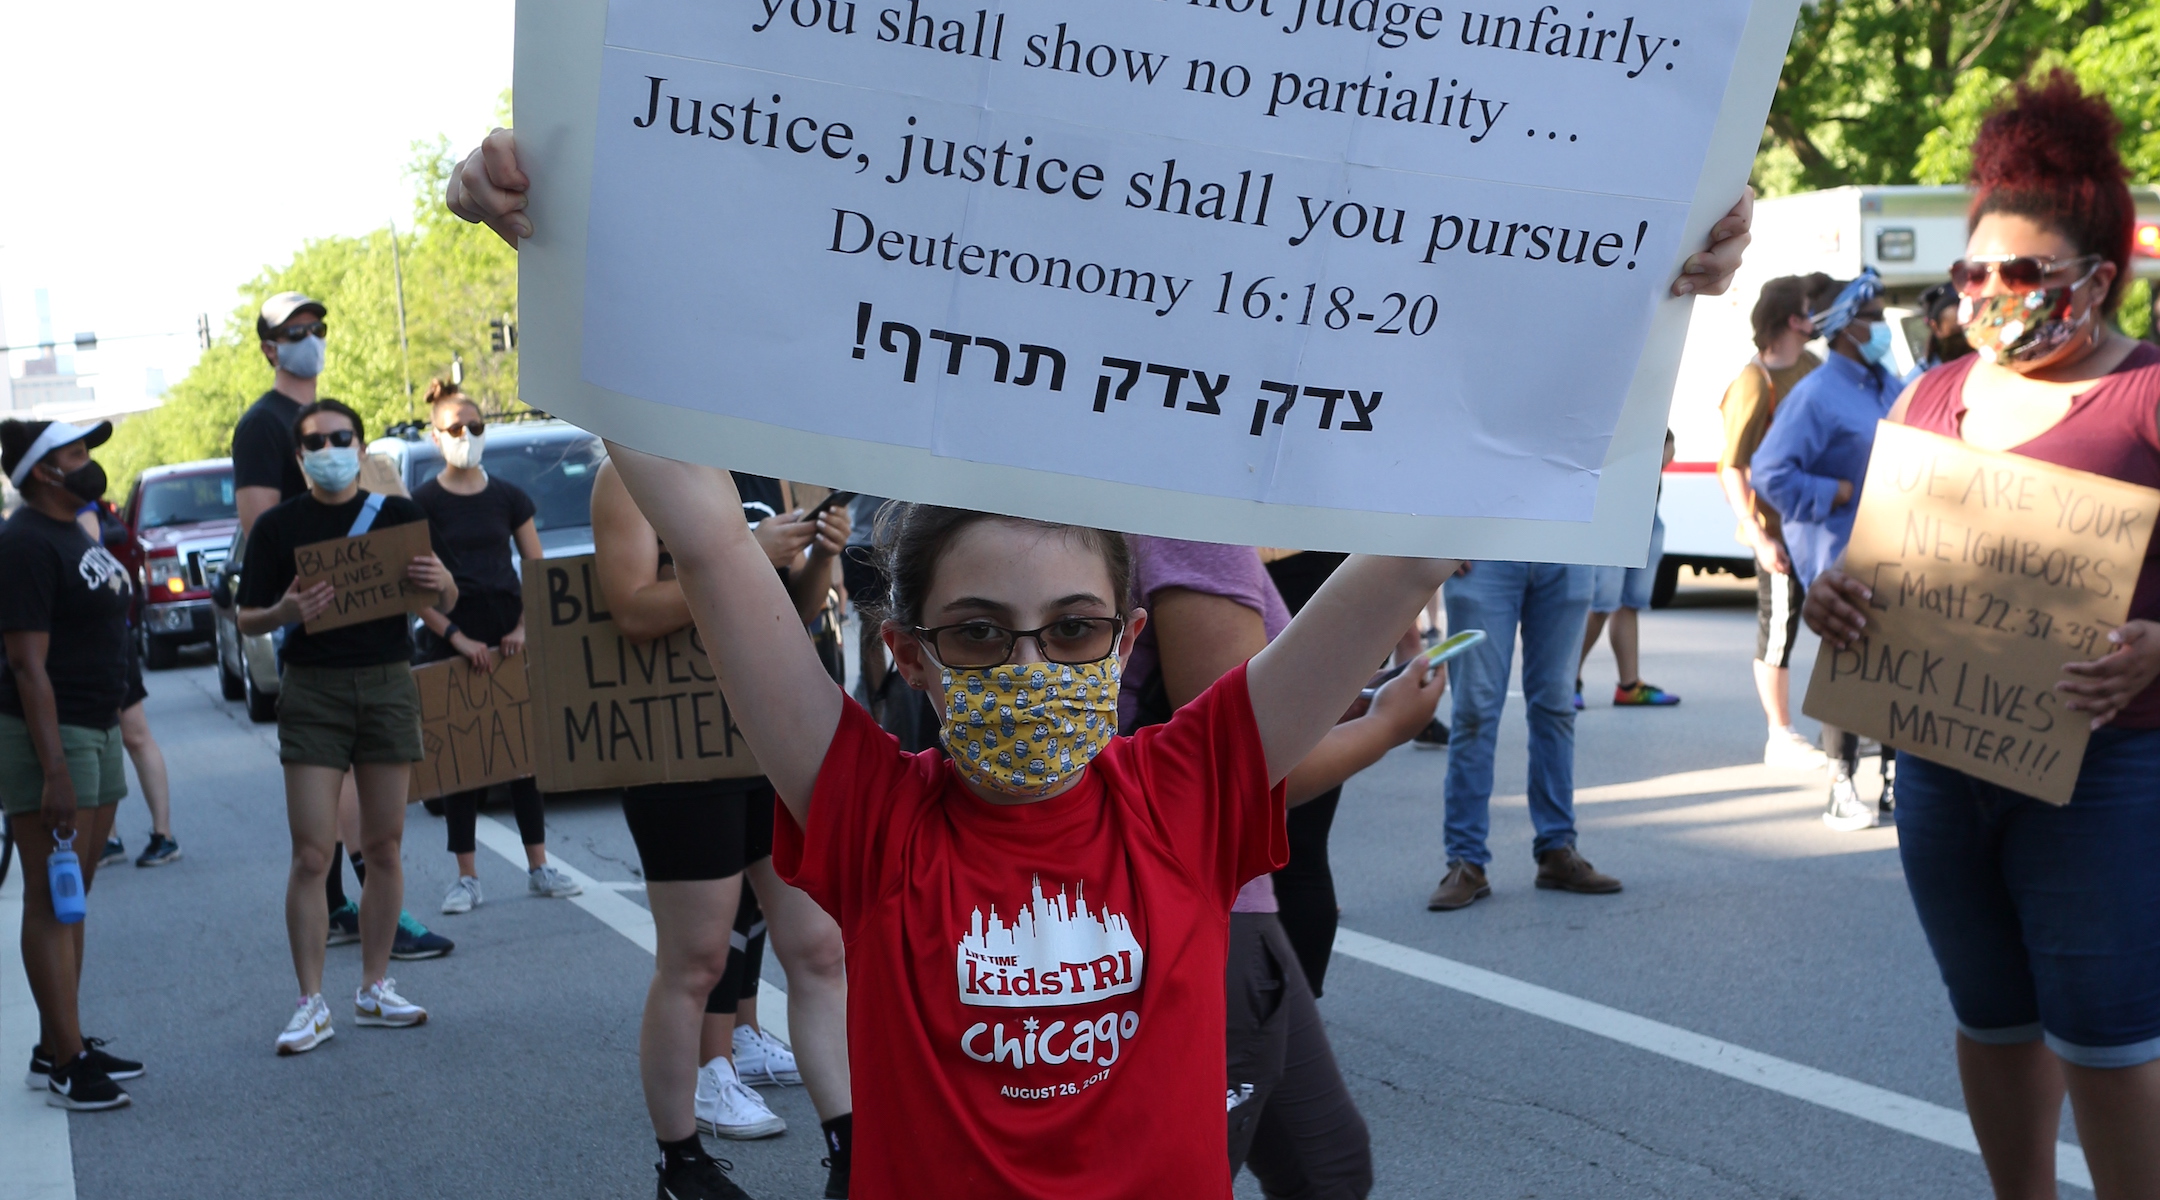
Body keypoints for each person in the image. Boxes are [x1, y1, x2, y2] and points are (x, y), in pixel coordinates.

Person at [447, 124, 1751, 1198]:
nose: (1029, 661)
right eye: (977, 634)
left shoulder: (1187, 791)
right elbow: (708, 542)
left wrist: (1636, 291)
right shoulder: (866, 814)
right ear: (907, 650)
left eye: (1072, 628)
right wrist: (560, 250)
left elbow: (1426, 542)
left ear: (1129, 640)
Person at [1803, 73, 2160, 1200]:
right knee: (1992, 1021)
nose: (1989, 294)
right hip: (1945, 769)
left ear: (2098, 279)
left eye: (2021, 273)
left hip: (2109, 773)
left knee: (2107, 1041)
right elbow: (1876, 564)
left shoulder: (2147, 397)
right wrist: (1832, 602)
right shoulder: (1931, 398)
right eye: (1971, 273)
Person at [1125, 534, 1444, 1197]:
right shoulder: (1187, 525)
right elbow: (1232, 773)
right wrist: (1386, 726)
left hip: (1210, 897)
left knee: (1327, 1164)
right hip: (1194, 904)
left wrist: (1331, 707)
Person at [591, 462, 855, 1200]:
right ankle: (682, 1162)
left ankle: (850, 1149)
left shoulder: (779, 465)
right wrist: (742, 555)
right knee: (697, 960)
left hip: (777, 738)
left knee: (820, 948)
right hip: (684, 746)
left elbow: (796, 610)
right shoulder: (632, 471)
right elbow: (631, 608)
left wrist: (823, 555)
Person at [229, 293, 450, 957]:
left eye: (317, 327)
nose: (310, 338)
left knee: (371, 798)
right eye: (295, 331)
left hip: (375, 633)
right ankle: (345, 906)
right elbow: (260, 530)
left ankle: (355, 911)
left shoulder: (326, 416)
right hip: (315, 635)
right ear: (270, 347)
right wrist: (298, 594)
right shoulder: (262, 425)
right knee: (332, 792)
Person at [235, 399, 459, 1054]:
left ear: (360, 448)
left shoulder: (399, 514)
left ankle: (374, 986)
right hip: (314, 690)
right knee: (312, 851)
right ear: (299, 456)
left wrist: (443, 582)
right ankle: (310, 1002)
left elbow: (442, 597)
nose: (328, 448)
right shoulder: (279, 528)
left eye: (340, 437)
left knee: (385, 845)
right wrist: (286, 608)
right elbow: (247, 616)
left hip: (388, 682)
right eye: (314, 441)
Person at [1, 418, 143, 1110]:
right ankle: (68, 1065)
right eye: (76, 454)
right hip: (53, 739)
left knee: (73, 895)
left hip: (97, 725)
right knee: (52, 900)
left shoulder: (70, 531)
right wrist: (53, 769)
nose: (89, 464)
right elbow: (27, 668)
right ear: (41, 472)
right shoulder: (25, 542)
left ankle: (61, 1040)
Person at [409, 380, 581, 911]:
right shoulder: (423, 503)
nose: (468, 435)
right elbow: (414, 590)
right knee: (462, 761)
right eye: (457, 428)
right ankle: (467, 876)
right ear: (436, 437)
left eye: (476, 426)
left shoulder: (509, 496)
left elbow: (536, 569)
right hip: (453, 635)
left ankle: (540, 865)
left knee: (522, 754)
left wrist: (524, 629)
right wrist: (456, 638)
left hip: (508, 633)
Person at [1751, 268, 1900, 831]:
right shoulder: (1815, 393)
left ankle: (1890, 777)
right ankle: (1841, 783)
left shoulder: (1888, 383)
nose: (1885, 326)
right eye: (1876, 317)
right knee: (1850, 660)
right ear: (1844, 327)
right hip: (1837, 548)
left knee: (1892, 665)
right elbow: (1768, 470)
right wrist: (1828, 491)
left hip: (1892, 545)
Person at [1426, 555, 1622, 911]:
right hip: (1487, 549)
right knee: (1475, 711)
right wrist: (1443, 534)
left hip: (1567, 547)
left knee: (1556, 708)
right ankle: (1465, 860)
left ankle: (1556, 848)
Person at [1716, 273, 1839, 768]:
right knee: (1781, 628)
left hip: (1819, 523)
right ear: (1792, 319)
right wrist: (1759, 534)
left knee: (1837, 622)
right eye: (1810, 309)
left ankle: (1847, 727)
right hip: (1779, 531)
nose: (1817, 317)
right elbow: (1731, 467)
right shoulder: (1753, 382)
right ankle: (1780, 735)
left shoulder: (1810, 365)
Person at [75, 499, 181, 867]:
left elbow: (85, 561)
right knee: (94, 734)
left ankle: (163, 836)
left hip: (106, 640)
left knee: (134, 733)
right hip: (81, 643)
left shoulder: (80, 507)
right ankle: (108, 838)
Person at [1577, 429, 1682, 709]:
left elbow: (1668, 445)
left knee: (1629, 604)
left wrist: (1659, 453)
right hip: (1610, 515)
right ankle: (1567, 680)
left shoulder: (1649, 403)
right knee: (1602, 603)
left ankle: (1629, 685)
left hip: (1646, 515)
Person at [1912, 280, 1973, 375]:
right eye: (1956, 332)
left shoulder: (1985, 366)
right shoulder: (1920, 379)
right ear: (1936, 327)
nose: (1964, 339)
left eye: (1968, 328)